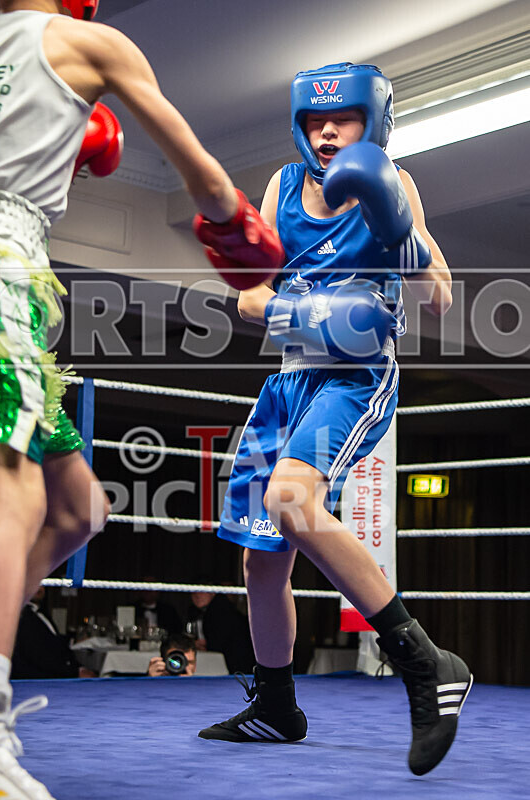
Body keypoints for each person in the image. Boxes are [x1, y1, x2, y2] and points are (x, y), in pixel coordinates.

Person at [0, 2, 283, 798]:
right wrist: (236, 232)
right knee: (9, 489)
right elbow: (202, 175)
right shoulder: (88, 40)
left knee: (79, 510)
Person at [195, 62, 472, 776]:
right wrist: (315, 310)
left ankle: (424, 661)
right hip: (288, 380)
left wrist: (401, 239)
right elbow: (249, 300)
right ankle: (277, 705)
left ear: (370, 123)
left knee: (292, 499)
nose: (326, 131)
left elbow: (437, 297)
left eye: (342, 119)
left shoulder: (395, 183)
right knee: (261, 562)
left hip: (354, 377)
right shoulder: (282, 188)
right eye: (316, 120)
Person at [11, 586, 97, 679]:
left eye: (43, 584)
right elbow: (39, 656)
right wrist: (75, 673)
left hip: (56, 674)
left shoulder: (41, 614)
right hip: (40, 680)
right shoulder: (22, 616)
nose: (40, 588)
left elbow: (56, 645)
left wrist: (79, 668)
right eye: (36, 582)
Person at [187, 588, 255, 674]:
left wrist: (207, 645)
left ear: (212, 592)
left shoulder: (219, 610)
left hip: (236, 664)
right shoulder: (202, 612)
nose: (197, 596)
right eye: (193, 593)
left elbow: (222, 641)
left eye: (201, 591)